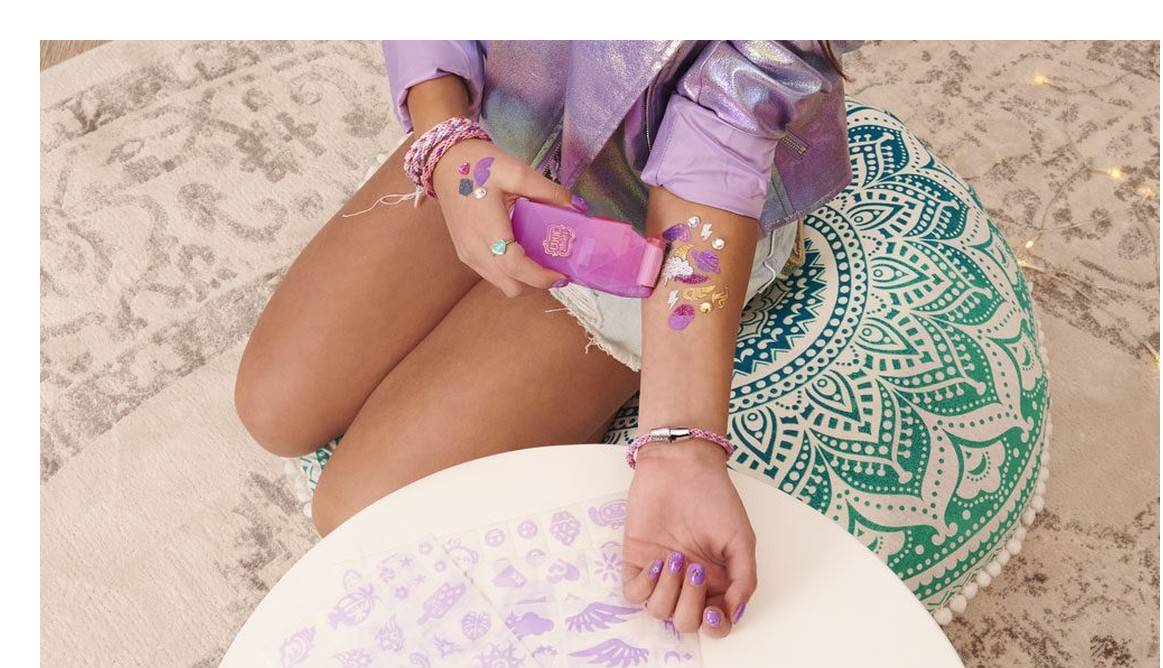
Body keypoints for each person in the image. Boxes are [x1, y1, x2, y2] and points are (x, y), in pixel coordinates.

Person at [235, 40, 854, 636]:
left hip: (658, 225)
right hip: (505, 121)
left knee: (357, 513)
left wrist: (681, 445)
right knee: (274, 407)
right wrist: (446, 141)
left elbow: (724, 132)